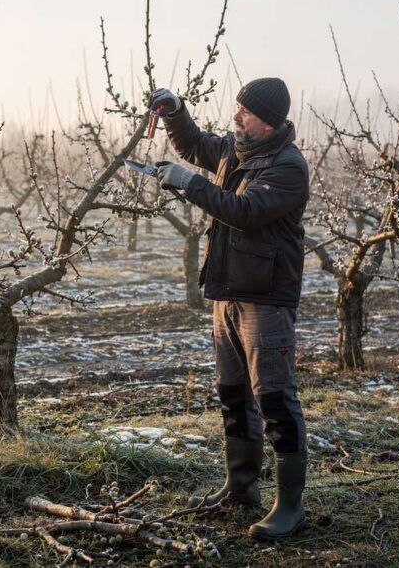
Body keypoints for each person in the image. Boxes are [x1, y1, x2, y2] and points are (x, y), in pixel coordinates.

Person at [137, 78, 309, 540]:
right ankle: (241, 486)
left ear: (268, 122)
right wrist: (175, 111)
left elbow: (245, 211)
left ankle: (290, 508)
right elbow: (194, 144)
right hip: (228, 292)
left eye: (245, 112)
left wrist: (190, 184)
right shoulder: (236, 151)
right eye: (238, 108)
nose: (236, 117)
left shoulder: (288, 167)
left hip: (265, 299)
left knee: (274, 399)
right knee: (233, 394)